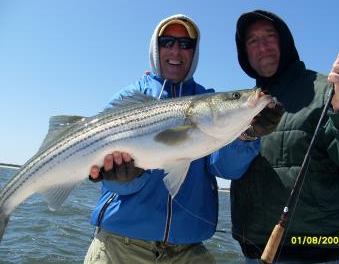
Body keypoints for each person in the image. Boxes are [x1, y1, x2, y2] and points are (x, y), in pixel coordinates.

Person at [84, 14, 283, 264]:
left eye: (186, 44)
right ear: (155, 49)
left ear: (194, 52)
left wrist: (247, 134)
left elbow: (227, 168)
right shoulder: (130, 97)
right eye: (167, 42)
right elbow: (103, 176)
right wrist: (123, 180)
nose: (176, 50)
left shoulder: (207, 99)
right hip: (119, 246)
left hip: (188, 252)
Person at [231, 9, 339, 263]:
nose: (262, 47)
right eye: (252, 41)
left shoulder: (331, 90)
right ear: (244, 53)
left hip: (319, 251)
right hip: (254, 252)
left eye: (270, 36)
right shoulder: (242, 105)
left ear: (286, 42)